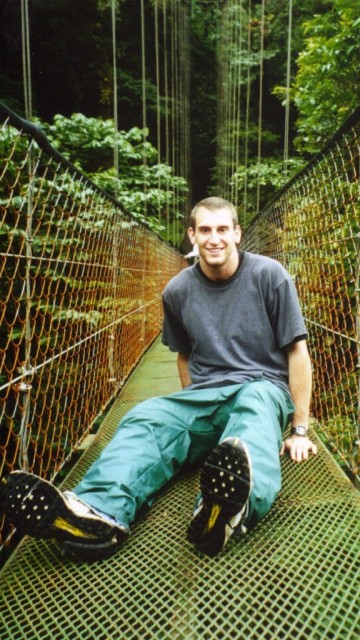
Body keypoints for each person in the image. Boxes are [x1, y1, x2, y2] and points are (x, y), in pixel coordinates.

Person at [0, 196, 317, 561]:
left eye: (222, 229)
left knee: (253, 404)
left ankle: (231, 508)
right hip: (206, 394)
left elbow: (297, 352)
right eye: (205, 230)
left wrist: (299, 430)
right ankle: (99, 514)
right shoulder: (177, 291)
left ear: (237, 233)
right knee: (146, 415)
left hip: (263, 387)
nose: (214, 239)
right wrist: (190, 415)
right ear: (192, 236)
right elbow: (184, 355)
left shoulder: (270, 276)